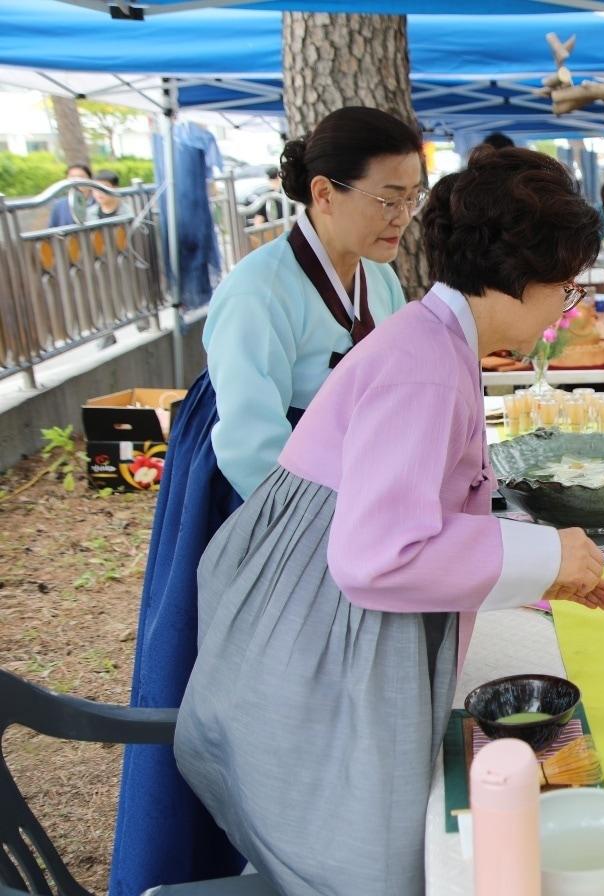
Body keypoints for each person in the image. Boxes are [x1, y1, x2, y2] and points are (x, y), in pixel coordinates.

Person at [175, 147, 604, 895]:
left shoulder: (432, 335)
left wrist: (538, 562)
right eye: (566, 287)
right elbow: (378, 555)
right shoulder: (425, 365)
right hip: (323, 624)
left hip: (304, 598)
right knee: (373, 849)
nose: (565, 307)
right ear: (516, 277)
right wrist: (546, 556)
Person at [111, 106, 421, 896]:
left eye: (412, 197)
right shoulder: (256, 288)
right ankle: (236, 856)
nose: (403, 217)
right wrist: (333, 533)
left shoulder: (381, 281)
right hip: (259, 511)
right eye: (388, 198)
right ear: (324, 192)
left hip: (344, 504)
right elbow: (247, 442)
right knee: (241, 689)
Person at [47, 162, 92, 227]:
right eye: (72, 177)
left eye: (81, 177)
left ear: (89, 179)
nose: (76, 180)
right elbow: (52, 230)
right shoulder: (59, 205)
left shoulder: (99, 201)